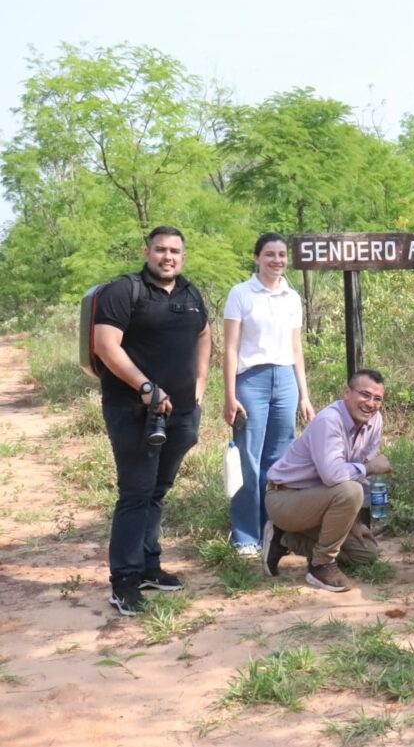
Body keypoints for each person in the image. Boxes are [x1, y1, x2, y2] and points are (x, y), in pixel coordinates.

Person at [93, 225, 211, 616]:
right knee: (136, 493)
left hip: (180, 413)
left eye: (175, 251)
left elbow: (205, 335)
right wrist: (145, 387)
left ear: (183, 256)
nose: (168, 257)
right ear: (147, 252)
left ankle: (147, 566)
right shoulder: (124, 291)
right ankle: (123, 580)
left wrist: (200, 380)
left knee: (158, 491)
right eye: (160, 250)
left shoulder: (191, 294)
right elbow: (105, 345)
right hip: (133, 411)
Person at [222, 233, 316, 557]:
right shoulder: (241, 294)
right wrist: (229, 395)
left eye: (281, 255)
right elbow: (230, 348)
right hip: (251, 380)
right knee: (249, 458)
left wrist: (304, 395)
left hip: (286, 380)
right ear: (256, 258)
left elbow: (296, 348)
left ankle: (273, 531)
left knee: (278, 461)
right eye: (270, 254)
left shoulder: (292, 297)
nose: (277, 260)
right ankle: (245, 536)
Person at [261, 369, 388, 592]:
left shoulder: (375, 421)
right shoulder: (330, 420)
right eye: (365, 395)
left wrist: (354, 522)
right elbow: (334, 475)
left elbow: (357, 476)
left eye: (377, 398)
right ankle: (321, 565)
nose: (370, 403)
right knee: (350, 492)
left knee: (365, 553)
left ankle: (284, 538)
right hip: (286, 498)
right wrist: (370, 468)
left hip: (323, 500)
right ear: (347, 392)